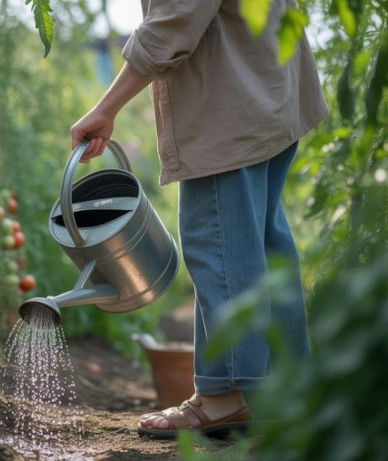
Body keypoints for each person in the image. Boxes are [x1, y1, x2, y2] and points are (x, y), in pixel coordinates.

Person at [71, 0, 328, 439]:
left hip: (226, 107)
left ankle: (226, 395)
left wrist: (106, 107)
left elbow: (177, 17)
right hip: (269, 88)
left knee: (221, 245)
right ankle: (282, 391)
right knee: (260, 245)